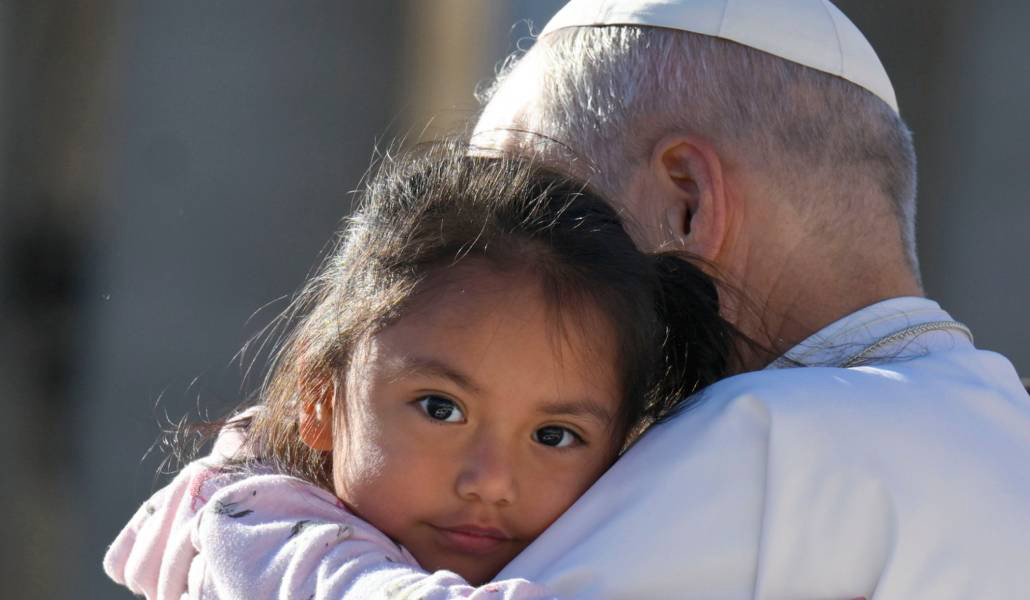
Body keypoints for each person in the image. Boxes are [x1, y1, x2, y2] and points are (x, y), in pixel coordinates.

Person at [474, 0, 1030, 598]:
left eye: (543, 225)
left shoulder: (764, 439)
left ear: (687, 200)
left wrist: (355, 544)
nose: (492, 295)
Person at [104, 144, 742, 598]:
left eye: (555, 436)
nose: (491, 482)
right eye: (441, 408)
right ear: (319, 398)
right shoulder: (259, 535)